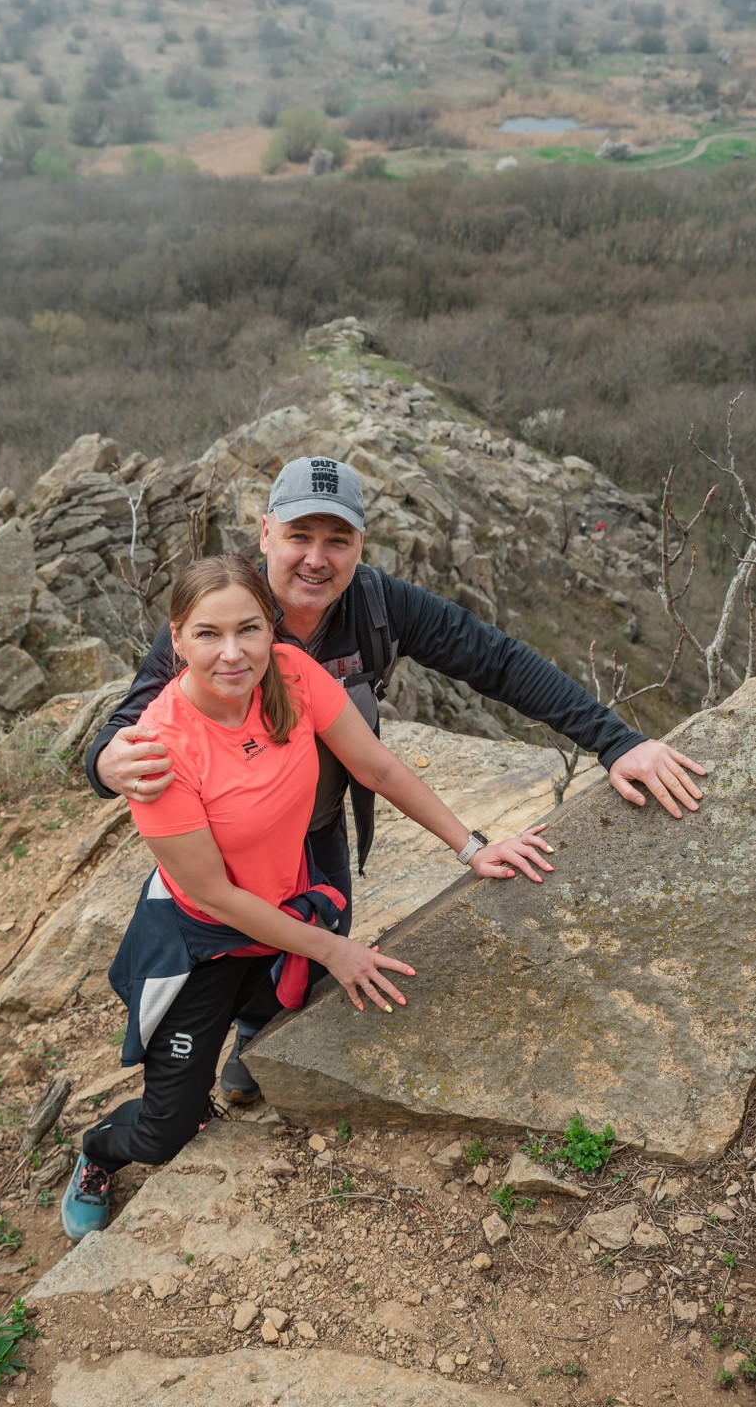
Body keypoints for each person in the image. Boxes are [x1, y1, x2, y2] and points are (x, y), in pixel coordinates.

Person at [85, 456, 706, 1104]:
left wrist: (616, 743)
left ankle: (259, 1039)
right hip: (229, 831)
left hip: (317, 821)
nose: (315, 559)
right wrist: (106, 762)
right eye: (299, 536)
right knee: (233, 945)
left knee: (319, 942)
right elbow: (127, 731)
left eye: (337, 540)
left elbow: (495, 661)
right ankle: (194, 1069)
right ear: (264, 532)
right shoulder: (222, 617)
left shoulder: (379, 605)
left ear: (360, 544)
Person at [61, 554, 555, 1242]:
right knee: (166, 1128)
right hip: (202, 940)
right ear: (175, 639)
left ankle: (237, 1056)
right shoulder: (160, 747)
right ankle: (97, 1152)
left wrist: (470, 847)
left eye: (249, 630)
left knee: (276, 1019)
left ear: (272, 631)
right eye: (207, 634)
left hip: (288, 912)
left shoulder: (292, 675)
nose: (232, 653)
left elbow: (374, 765)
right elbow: (214, 893)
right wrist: (336, 949)